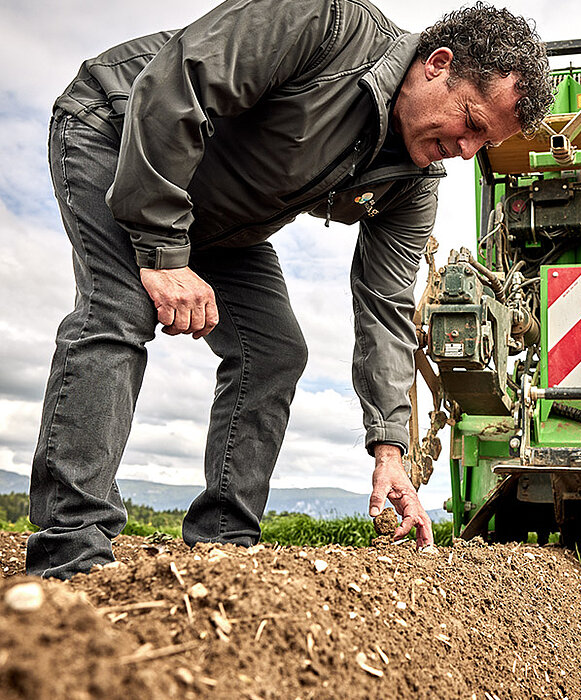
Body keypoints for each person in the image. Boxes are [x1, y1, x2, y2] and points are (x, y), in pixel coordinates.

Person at [28, 0, 553, 579]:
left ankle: (221, 549)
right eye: (472, 124)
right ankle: (71, 550)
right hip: (119, 132)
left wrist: (390, 449)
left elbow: (387, 308)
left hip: (219, 218)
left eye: (484, 145)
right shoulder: (324, 24)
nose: (466, 152)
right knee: (120, 308)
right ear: (438, 64)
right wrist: (160, 250)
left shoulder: (415, 184)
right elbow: (176, 82)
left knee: (274, 351)